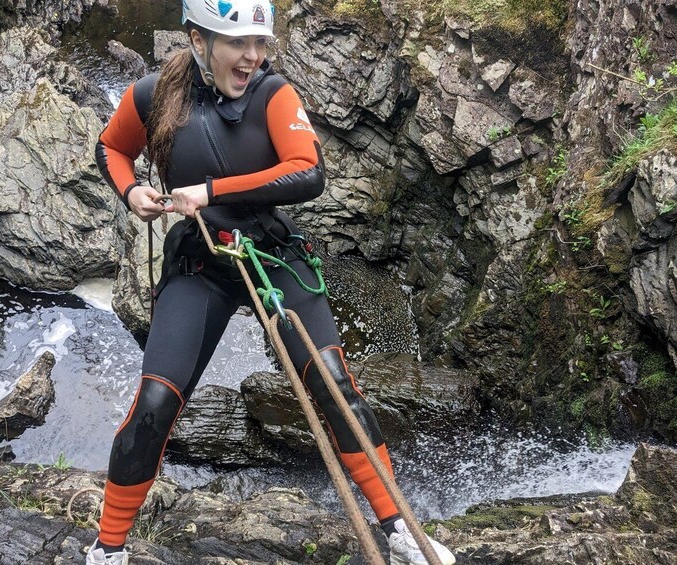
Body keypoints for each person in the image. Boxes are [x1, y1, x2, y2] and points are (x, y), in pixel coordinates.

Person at [88, 0, 456, 563]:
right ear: (198, 40)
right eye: (239, 43)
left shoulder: (273, 93)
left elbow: (308, 172)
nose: (253, 57)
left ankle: (399, 526)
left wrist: (209, 193)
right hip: (200, 263)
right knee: (156, 402)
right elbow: (112, 147)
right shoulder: (152, 95)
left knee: (332, 381)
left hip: (271, 254)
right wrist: (132, 192)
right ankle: (108, 548)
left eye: (262, 42)